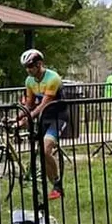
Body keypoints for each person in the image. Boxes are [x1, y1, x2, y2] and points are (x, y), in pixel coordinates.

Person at [16, 47, 66, 200]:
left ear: (39, 64)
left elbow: (44, 104)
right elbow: (30, 103)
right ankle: (54, 185)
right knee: (41, 154)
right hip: (43, 119)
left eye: (31, 66)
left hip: (58, 117)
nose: (28, 70)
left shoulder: (53, 78)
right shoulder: (29, 81)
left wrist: (29, 117)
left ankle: (57, 185)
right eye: (26, 67)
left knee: (45, 150)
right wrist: (17, 117)